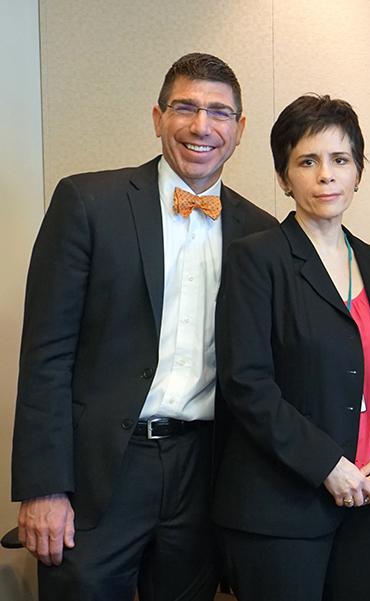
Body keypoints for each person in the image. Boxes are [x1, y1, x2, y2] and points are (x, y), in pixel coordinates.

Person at [10, 53, 278, 600]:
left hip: (204, 471)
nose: (202, 126)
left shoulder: (260, 231)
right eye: (186, 107)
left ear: (240, 129)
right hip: (99, 472)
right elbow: (45, 354)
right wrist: (43, 488)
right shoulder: (87, 202)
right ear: (158, 117)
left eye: (219, 113)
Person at [211, 94, 370, 600]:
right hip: (282, 511)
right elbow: (246, 384)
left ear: (358, 172)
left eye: (340, 160)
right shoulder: (256, 259)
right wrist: (327, 465)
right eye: (307, 161)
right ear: (283, 177)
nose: (326, 175)